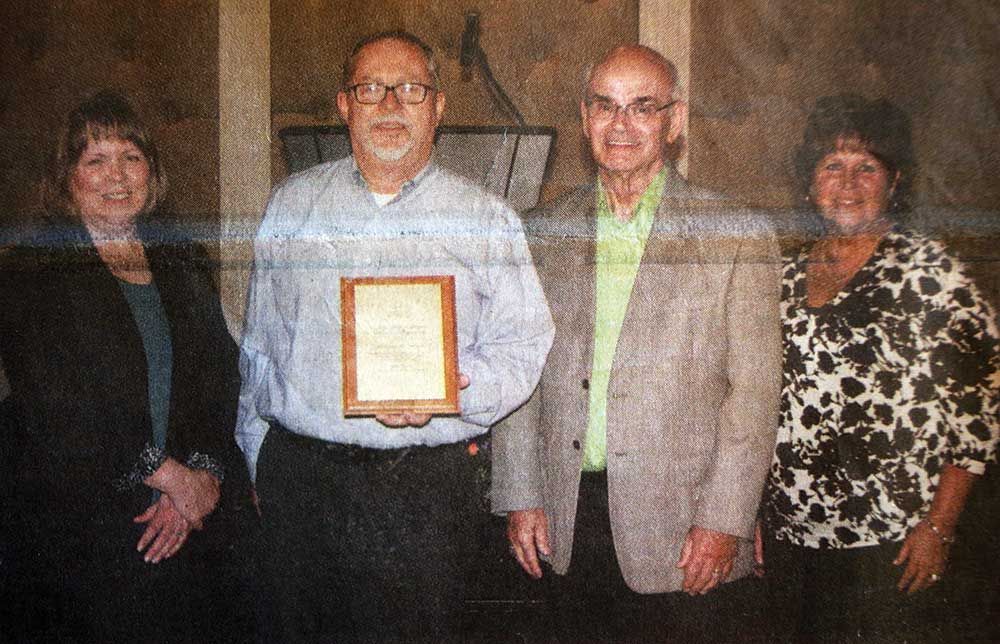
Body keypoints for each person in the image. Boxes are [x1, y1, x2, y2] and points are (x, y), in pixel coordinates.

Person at [236, 30, 553, 643]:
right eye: (370, 89)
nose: (388, 106)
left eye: (409, 90)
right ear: (343, 105)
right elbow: (260, 344)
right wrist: (258, 456)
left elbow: (522, 344)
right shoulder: (292, 206)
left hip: (423, 492)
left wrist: (456, 390)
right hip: (302, 484)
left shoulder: (486, 218)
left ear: (438, 107)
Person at [490, 44, 781, 642]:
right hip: (567, 519)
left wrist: (725, 520)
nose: (620, 125)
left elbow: (754, 395)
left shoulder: (736, 234)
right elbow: (518, 374)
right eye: (606, 106)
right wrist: (520, 493)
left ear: (673, 122)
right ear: (584, 117)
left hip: (683, 527)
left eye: (642, 107)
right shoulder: (541, 231)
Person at [0, 90, 252, 642]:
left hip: (191, 515)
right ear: (68, 176)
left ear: (151, 171)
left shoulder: (181, 256)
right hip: (84, 526)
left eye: (130, 157)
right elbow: (52, 403)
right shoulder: (30, 270)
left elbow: (219, 374)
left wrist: (203, 475)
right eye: (96, 160)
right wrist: (167, 476)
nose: (117, 176)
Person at [757, 94, 1000, 643]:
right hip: (792, 534)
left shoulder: (931, 272)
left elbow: (979, 410)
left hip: (892, 540)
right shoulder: (785, 274)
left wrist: (940, 525)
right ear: (808, 183)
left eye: (867, 167)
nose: (848, 184)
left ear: (894, 182)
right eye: (832, 167)